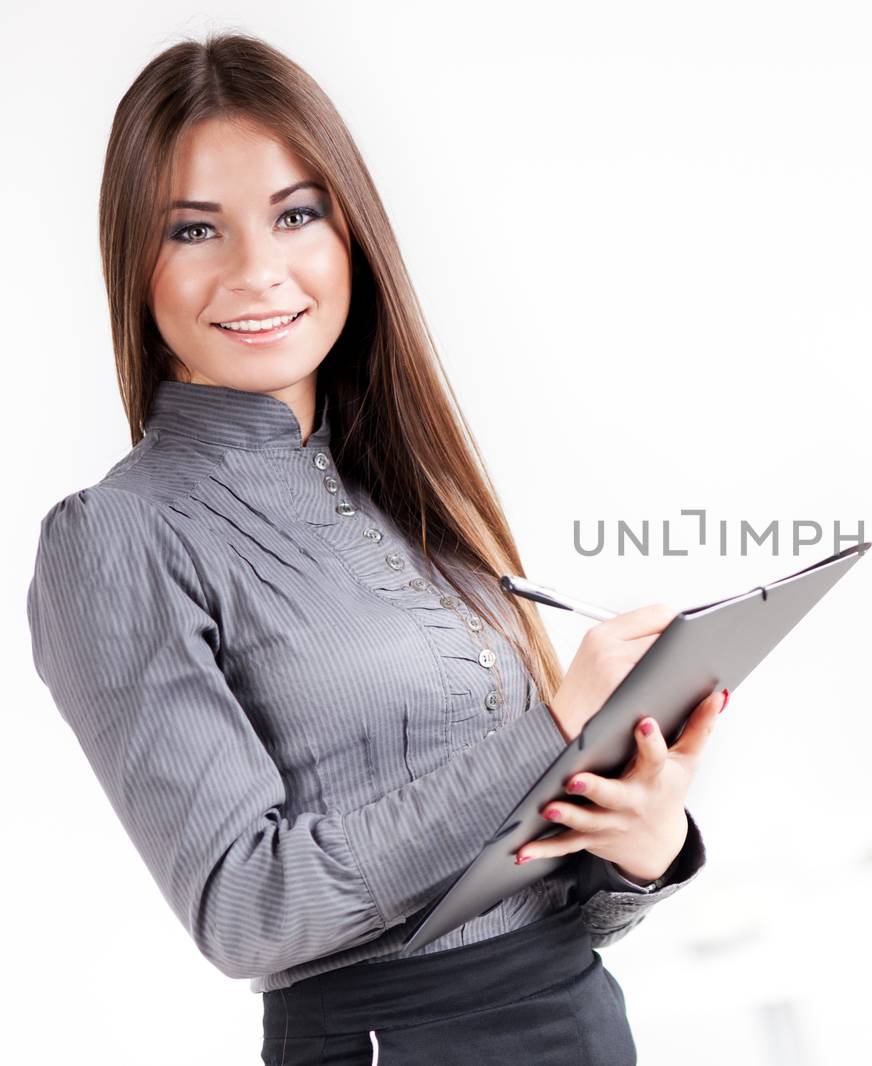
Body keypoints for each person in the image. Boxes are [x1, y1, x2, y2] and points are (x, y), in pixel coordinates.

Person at [25, 33, 728, 1065]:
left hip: (578, 1017)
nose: (258, 270)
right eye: (193, 229)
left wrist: (638, 841)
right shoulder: (117, 538)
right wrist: (554, 729)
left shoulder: (405, 486)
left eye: (296, 214)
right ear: (134, 259)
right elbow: (246, 910)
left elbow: (525, 887)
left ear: (351, 231)